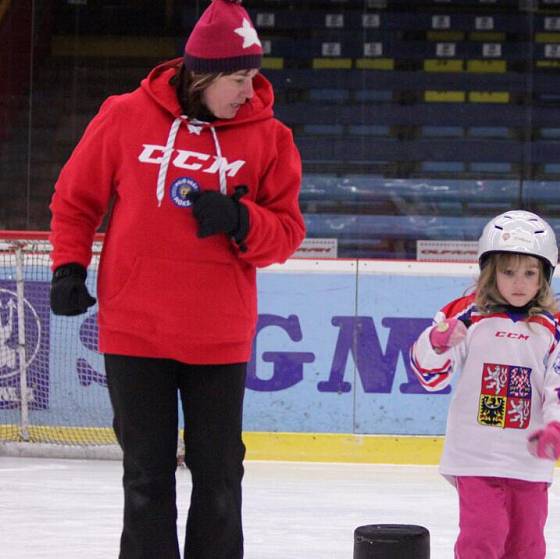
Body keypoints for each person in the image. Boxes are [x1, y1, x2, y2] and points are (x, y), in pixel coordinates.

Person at [48, 1, 305, 557]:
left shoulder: (271, 138)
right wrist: (69, 265)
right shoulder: (123, 115)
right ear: (203, 73)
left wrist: (241, 220)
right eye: (238, 79)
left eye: (254, 77)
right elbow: (74, 200)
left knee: (219, 480)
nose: (249, 91)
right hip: (135, 331)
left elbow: (286, 233)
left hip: (218, 337)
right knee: (146, 479)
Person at [410, 210, 560, 559]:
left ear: (544, 277)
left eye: (529, 273)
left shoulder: (555, 327)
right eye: (508, 272)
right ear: (490, 271)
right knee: (482, 540)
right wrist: (435, 342)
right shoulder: (466, 314)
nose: (519, 282)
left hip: (529, 463)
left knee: (527, 548)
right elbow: (429, 375)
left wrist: (559, 428)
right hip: (475, 458)